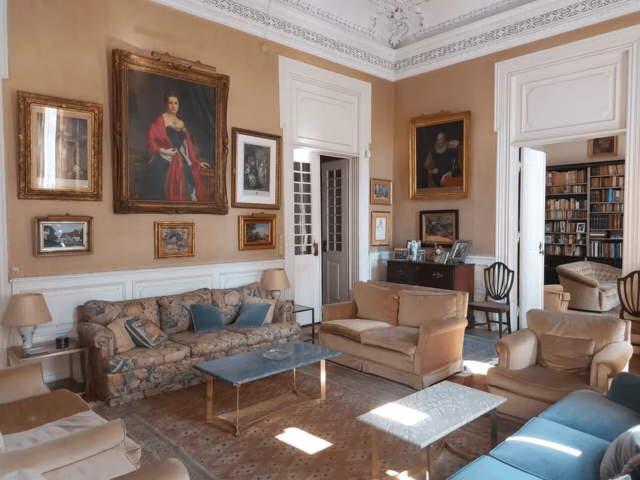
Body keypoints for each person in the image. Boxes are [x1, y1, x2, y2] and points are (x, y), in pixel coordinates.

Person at [145, 92, 208, 201]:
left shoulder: (181, 123)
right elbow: (150, 141)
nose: (173, 106)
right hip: (163, 158)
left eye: (176, 103)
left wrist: (196, 161)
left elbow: (187, 145)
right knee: (159, 184)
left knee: (188, 181)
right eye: (170, 103)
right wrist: (164, 151)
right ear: (166, 104)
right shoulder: (160, 120)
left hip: (180, 159)